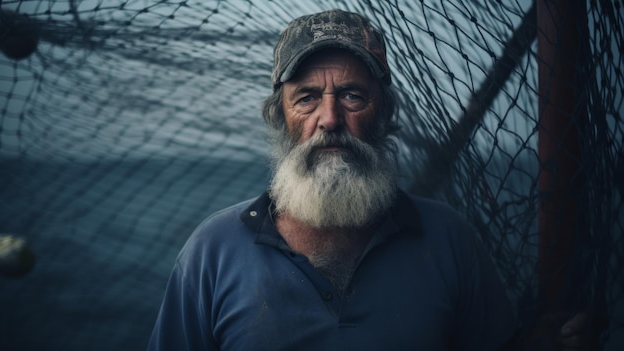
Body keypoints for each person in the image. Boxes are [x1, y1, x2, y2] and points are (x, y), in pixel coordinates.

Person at [148, 9, 588, 350]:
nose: (330, 119)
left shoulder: (449, 238)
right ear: (281, 119)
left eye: (352, 95)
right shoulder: (212, 252)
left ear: (385, 112)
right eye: (306, 98)